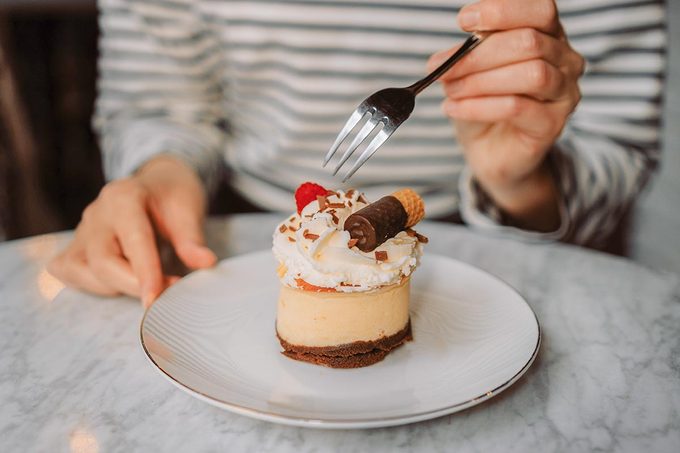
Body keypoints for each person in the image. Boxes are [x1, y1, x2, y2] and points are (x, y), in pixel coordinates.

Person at [48, 0, 666, 306]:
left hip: (526, 255)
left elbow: (618, 142)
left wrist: (525, 180)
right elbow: (160, 102)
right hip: (247, 228)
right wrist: (162, 169)